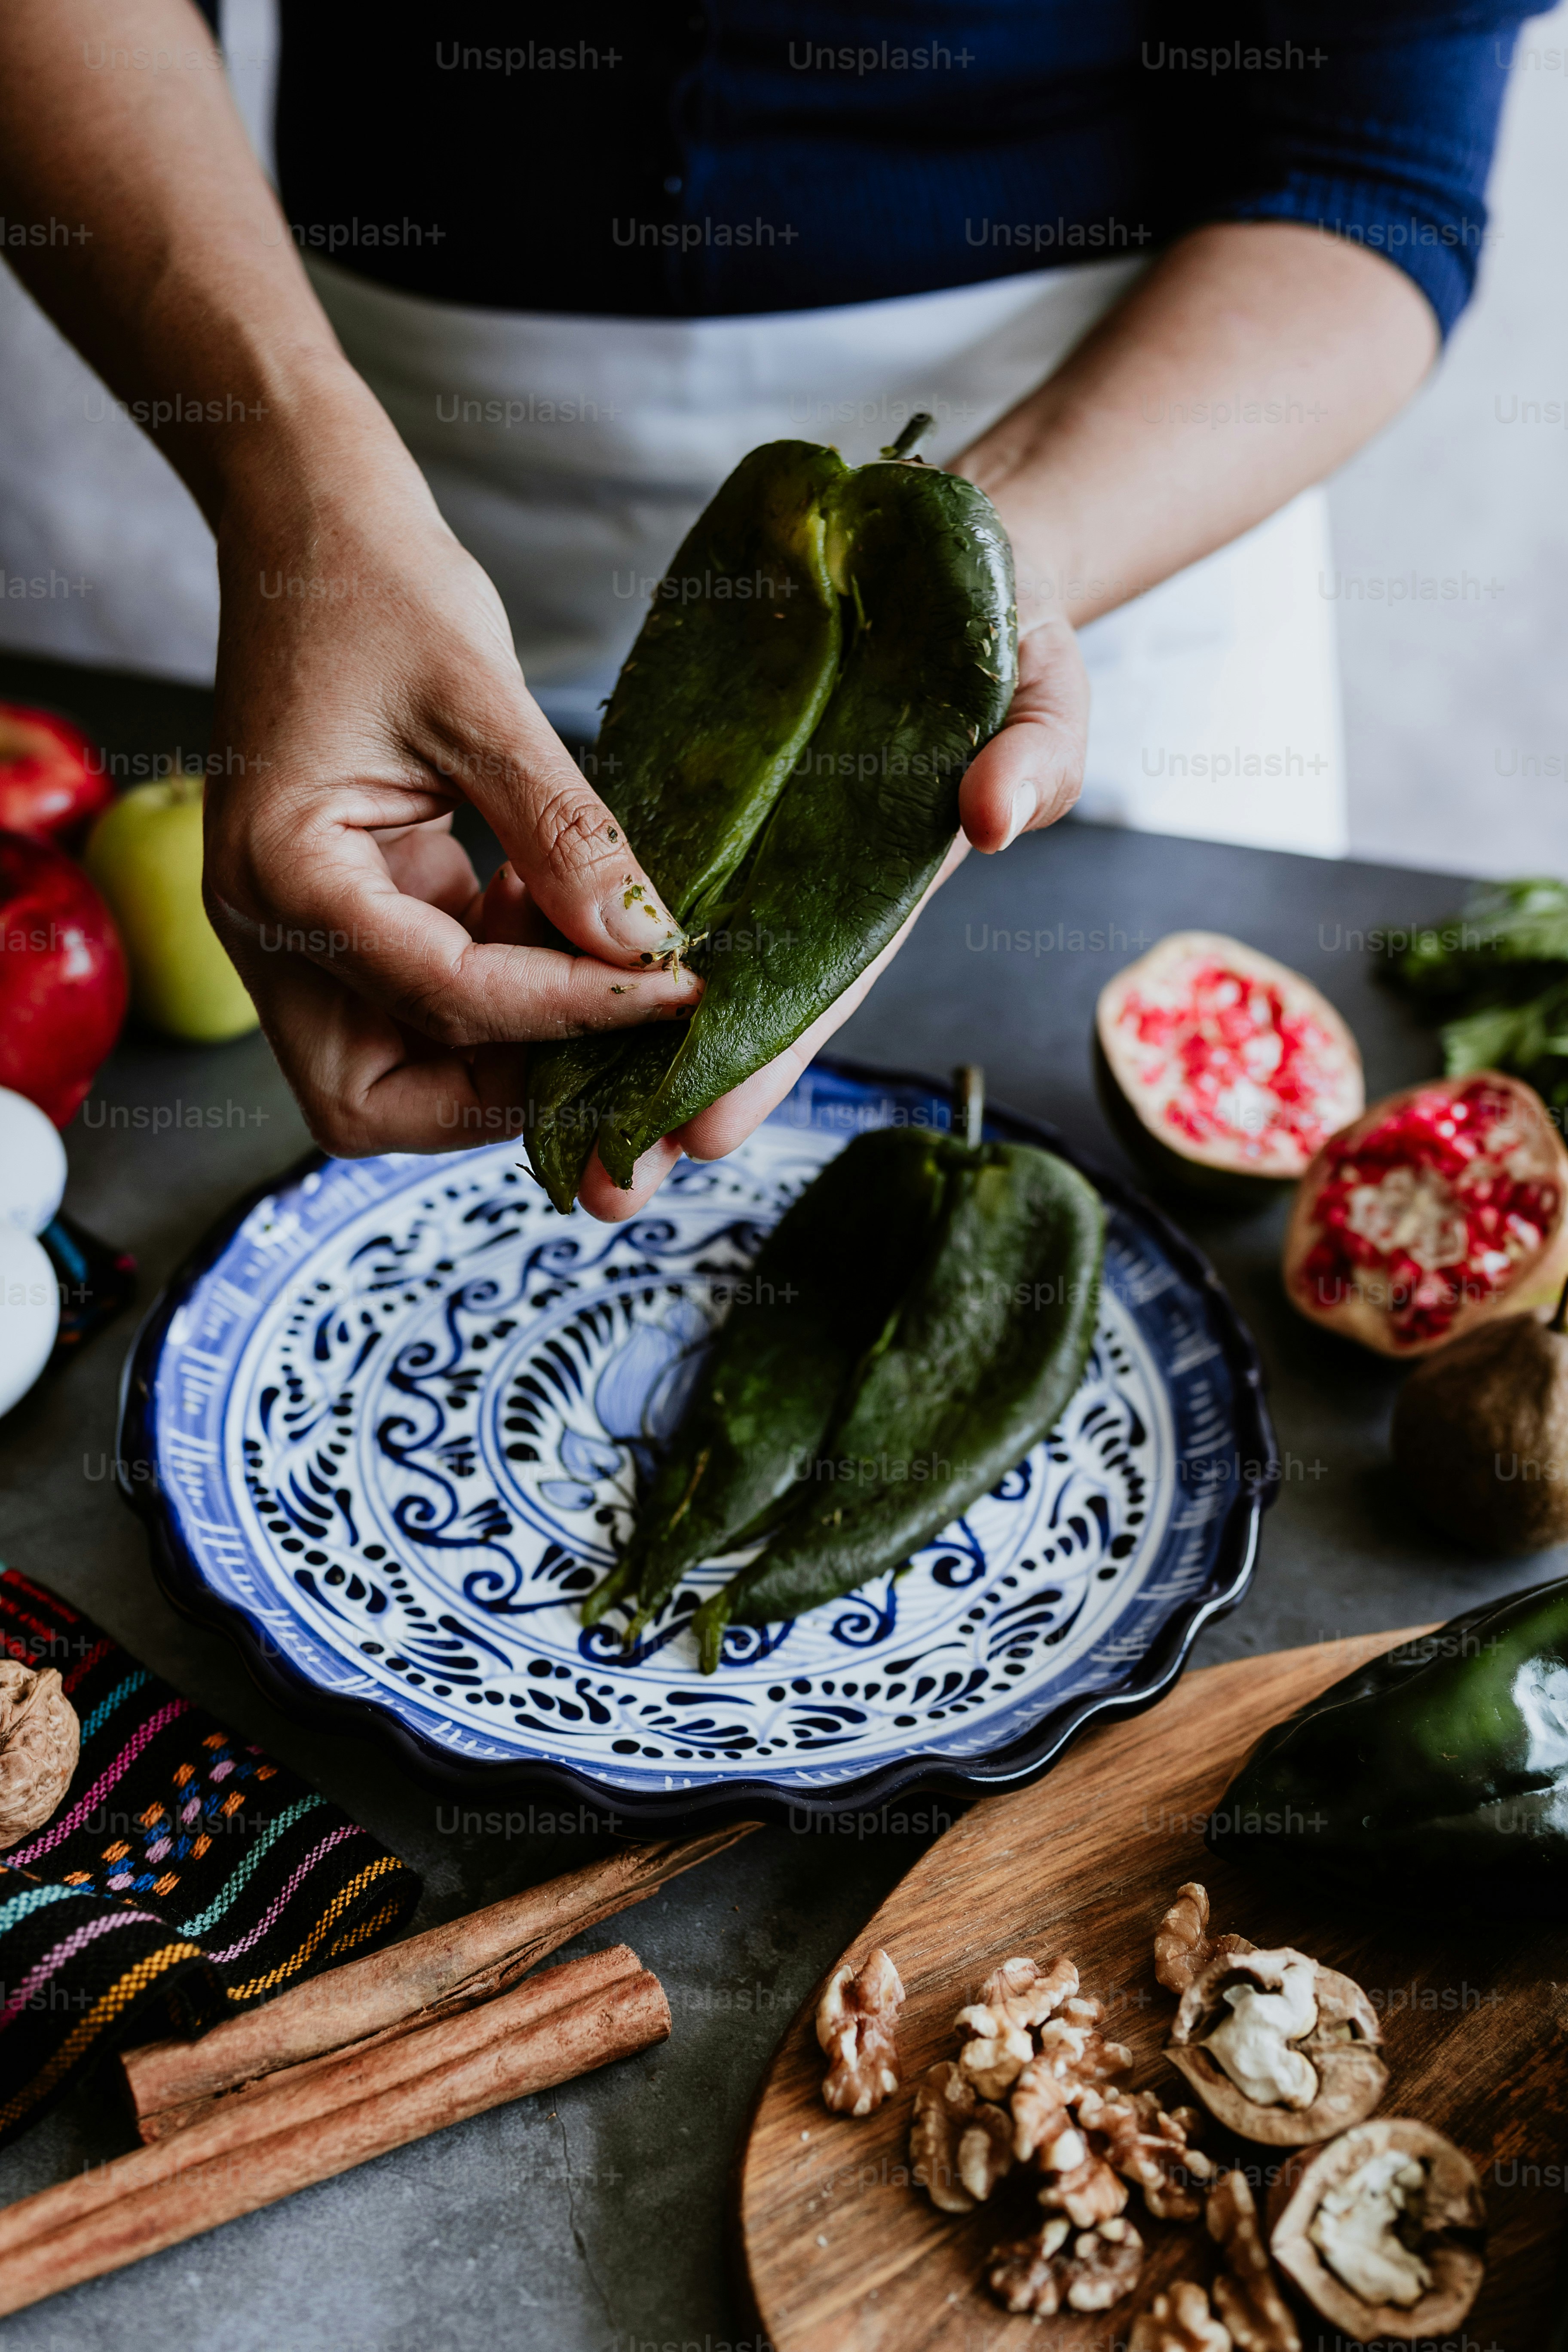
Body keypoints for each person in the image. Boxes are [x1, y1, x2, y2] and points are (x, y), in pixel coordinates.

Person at [0, 2, 1533, 1219]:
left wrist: (978, 583)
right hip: (391, 460)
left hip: (1117, 478)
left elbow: (1369, 164)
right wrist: (297, 499)